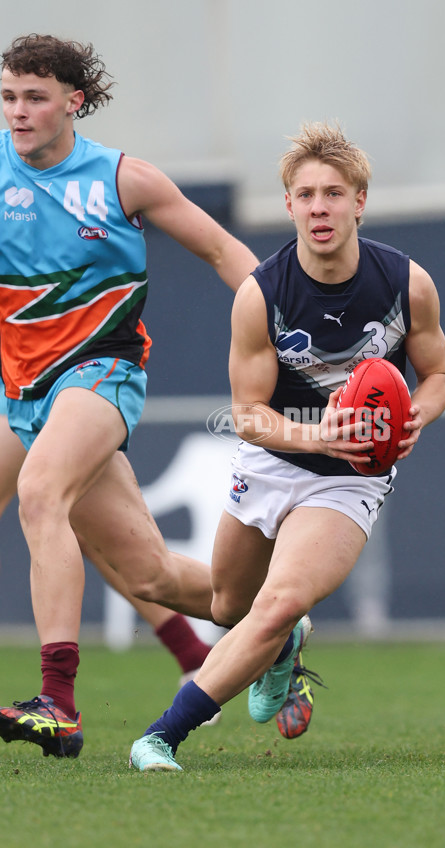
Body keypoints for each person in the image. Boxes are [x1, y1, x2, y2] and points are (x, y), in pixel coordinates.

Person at [129, 121, 445, 771]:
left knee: (278, 603)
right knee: (230, 605)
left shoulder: (404, 284)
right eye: (305, 195)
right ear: (288, 204)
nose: (319, 208)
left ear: (360, 201)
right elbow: (246, 415)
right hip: (271, 460)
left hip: (349, 480)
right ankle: (283, 649)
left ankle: (161, 736)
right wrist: (316, 433)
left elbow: (440, 375)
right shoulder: (263, 294)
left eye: (334, 194)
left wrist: (415, 416)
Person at [0, 33, 259, 759]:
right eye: (9, 96)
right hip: (20, 391)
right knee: (148, 571)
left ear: (73, 103)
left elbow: (221, 250)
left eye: (35, 98)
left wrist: (285, 319)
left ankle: (59, 703)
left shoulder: (123, 179)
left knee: (41, 493)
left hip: (100, 376)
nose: (18, 113)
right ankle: (273, 618)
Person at [0, 390, 213, 689]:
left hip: (70, 380)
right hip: (19, 383)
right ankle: (199, 649)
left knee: (149, 572)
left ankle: (271, 614)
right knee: (105, 547)